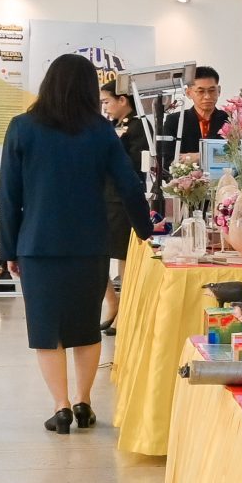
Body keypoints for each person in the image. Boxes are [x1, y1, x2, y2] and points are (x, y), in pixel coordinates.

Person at [0, 53, 151, 433]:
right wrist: (147, 232)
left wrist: (9, 249)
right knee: (85, 327)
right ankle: (84, 402)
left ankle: (61, 406)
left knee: (47, 330)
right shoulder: (101, 131)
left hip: (37, 245)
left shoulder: (22, 127)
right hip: (90, 245)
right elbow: (130, 185)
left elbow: (9, 195)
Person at [98, 88, 152, 332]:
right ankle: (113, 302)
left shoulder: (139, 126)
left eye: (107, 101)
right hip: (101, 196)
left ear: (122, 100)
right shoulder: (108, 126)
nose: (105, 107)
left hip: (121, 200)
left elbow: (135, 165)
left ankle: (125, 311)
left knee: (123, 255)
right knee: (99, 255)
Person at [163, 66, 229, 154]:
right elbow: (167, 158)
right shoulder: (175, 121)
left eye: (212, 90)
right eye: (201, 91)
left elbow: (237, 154)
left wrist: (198, 157)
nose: (207, 96)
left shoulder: (229, 120)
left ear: (219, 91)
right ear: (188, 93)